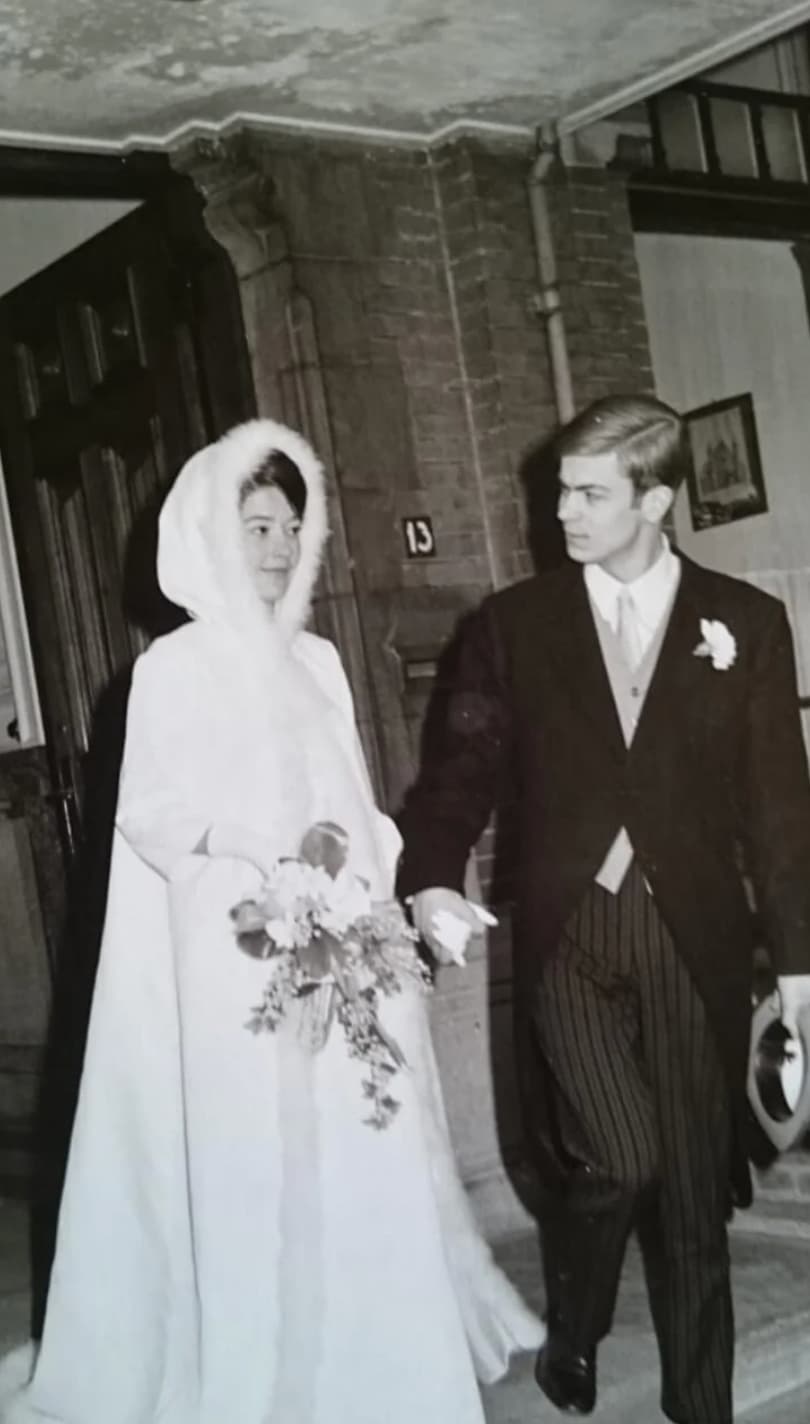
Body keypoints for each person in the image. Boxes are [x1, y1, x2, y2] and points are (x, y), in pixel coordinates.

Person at [0, 419, 541, 1424]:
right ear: (209, 532)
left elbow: (353, 801)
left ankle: (381, 1360)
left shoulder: (324, 662)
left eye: (292, 524)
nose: (281, 547)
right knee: (255, 1172)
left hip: (344, 950)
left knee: (363, 1145)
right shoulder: (171, 669)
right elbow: (154, 817)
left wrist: (391, 885)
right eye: (256, 526)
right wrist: (258, 862)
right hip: (235, 960)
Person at [397, 394, 810, 1423]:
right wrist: (432, 872)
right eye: (561, 492)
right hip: (568, 933)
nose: (563, 513)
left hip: (690, 939)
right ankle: (575, 1320)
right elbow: (459, 770)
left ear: (656, 497)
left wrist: (801, 967)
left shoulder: (746, 623)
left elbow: (780, 810)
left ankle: (701, 1406)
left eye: (588, 494)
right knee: (621, 1155)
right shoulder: (515, 624)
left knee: (692, 1195)